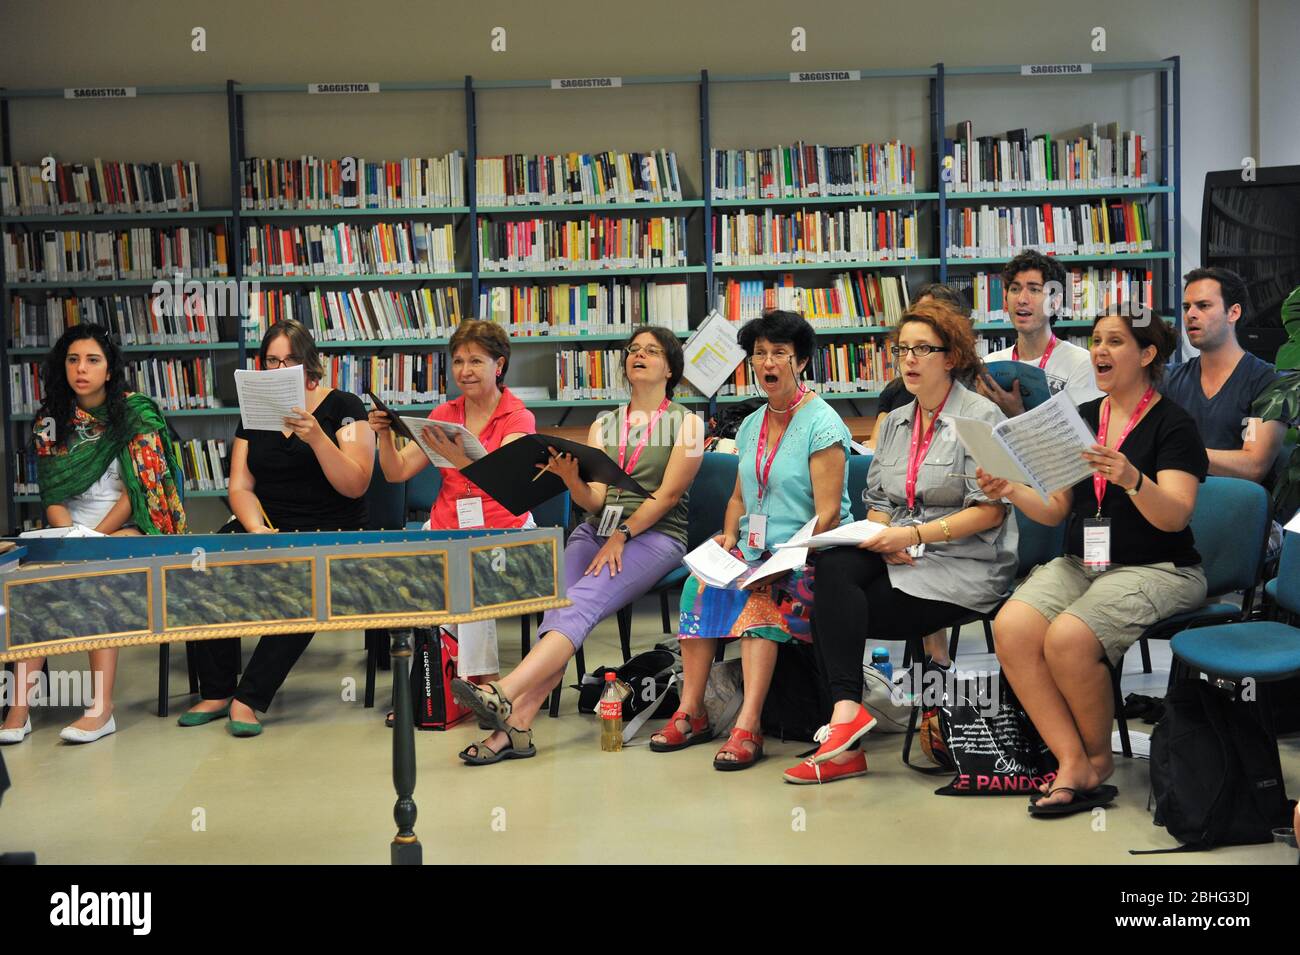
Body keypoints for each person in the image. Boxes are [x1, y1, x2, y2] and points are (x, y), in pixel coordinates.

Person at [978, 312, 1208, 815]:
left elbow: (1175, 518)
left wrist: (1132, 478)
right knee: (1012, 626)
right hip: (1086, 562)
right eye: (1096, 340)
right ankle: (1071, 758)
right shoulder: (1078, 415)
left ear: (1147, 356)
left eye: (1115, 342)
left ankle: (1098, 760)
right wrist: (1012, 488)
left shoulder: (1174, 423)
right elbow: (1058, 508)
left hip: (1161, 568)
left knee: (1068, 637)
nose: (1099, 351)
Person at [450, 326, 705, 764]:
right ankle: (518, 727)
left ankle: (504, 692)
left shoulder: (688, 423)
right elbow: (596, 499)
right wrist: (571, 481)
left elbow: (668, 497)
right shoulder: (605, 424)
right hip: (596, 529)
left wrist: (623, 535)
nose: (638, 356)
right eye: (633, 350)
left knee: (578, 604)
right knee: (562, 608)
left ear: (670, 368)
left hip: (656, 535)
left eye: (651, 351)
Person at [789, 299, 1018, 784]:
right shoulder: (894, 420)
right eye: (902, 350)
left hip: (965, 561)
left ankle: (843, 736)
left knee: (842, 607)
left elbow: (991, 510)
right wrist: (877, 535)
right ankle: (848, 714)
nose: (908, 360)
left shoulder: (982, 418)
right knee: (831, 569)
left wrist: (910, 534)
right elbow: (878, 499)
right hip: (901, 552)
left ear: (951, 357)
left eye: (922, 349)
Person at [651, 310, 851, 771]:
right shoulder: (750, 423)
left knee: (759, 597)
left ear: (799, 361)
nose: (767, 362)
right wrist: (728, 535)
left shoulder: (822, 424)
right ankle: (692, 711)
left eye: (779, 353)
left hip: (810, 555)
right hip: (755, 550)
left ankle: (749, 723)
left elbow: (829, 514)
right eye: (759, 353)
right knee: (696, 585)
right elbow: (740, 496)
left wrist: (785, 555)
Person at [179, 320, 374, 737]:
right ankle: (217, 690)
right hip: (269, 524)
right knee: (204, 564)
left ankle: (249, 699)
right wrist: (254, 527)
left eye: (289, 360)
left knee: (302, 581)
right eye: (271, 360)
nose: (279, 368)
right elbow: (240, 485)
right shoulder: (255, 413)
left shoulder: (345, 406)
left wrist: (319, 439)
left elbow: (356, 484)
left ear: (309, 365)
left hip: (329, 530)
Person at [0, 324, 188, 746]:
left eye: (92, 360)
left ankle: (101, 709)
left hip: (133, 523)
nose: (81, 369)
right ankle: (19, 710)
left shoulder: (135, 413)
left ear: (109, 369)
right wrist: (68, 532)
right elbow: (52, 495)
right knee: (31, 581)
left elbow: (138, 491)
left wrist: (94, 536)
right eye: (72, 360)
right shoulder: (50, 420)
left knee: (97, 571)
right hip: (71, 525)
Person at [369, 320, 536, 716]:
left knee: (468, 575)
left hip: (503, 532)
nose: (465, 370)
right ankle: (439, 686)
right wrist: (385, 436)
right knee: (422, 580)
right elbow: (396, 473)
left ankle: (477, 687)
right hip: (447, 527)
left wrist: (459, 453)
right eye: (458, 360)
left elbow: (504, 480)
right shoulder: (445, 412)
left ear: (499, 365)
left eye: (476, 360)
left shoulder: (518, 416)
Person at [1163, 266, 1283, 484]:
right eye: (1186, 306)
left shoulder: (1267, 382)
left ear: (1233, 313)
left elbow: (1254, 465)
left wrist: (1177, 451)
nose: (1190, 314)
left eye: (1203, 306)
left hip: (1236, 511)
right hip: (1175, 507)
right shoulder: (1169, 379)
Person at [977, 249, 1102, 415]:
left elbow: (1078, 436)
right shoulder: (990, 364)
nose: (1022, 299)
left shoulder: (1081, 364)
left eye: (1034, 290)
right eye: (1015, 289)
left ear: (1055, 302)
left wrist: (1017, 414)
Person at [867, 283, 972, 451]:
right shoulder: (895, 392)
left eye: (923, 348)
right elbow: (875, 445)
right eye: (903, 348)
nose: (922, 322)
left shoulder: (974, 398)